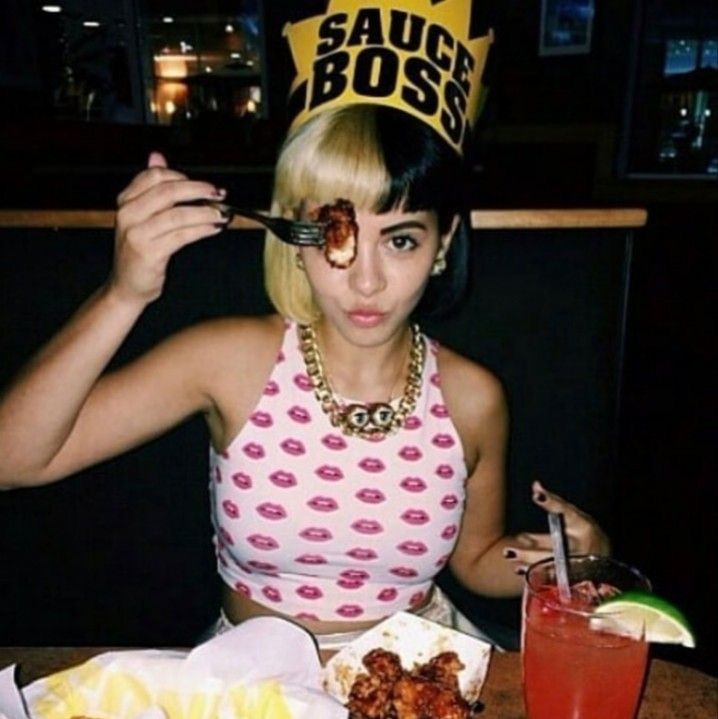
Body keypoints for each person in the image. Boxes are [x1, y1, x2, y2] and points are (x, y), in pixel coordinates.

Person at [0, 102, 608, 659]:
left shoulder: (473, 396)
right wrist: (123, 293)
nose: (367, 282)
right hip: (255, 680)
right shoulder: (230, 361)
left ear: (443, 243)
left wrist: (567, 560)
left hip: (418, 673)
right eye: (336, 236)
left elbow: (476, 561)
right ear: (294, 237)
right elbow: (13, 458)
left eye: (400, 240)